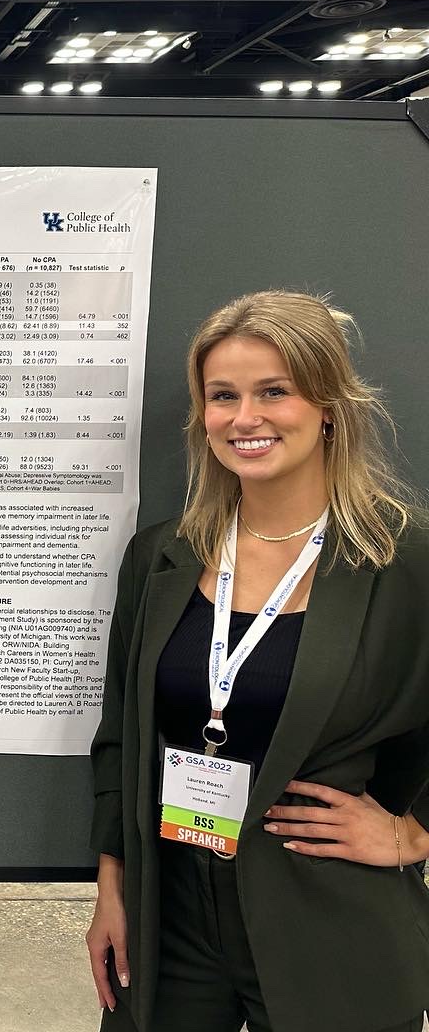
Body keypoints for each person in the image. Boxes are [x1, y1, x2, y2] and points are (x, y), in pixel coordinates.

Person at [85, 290, 429, 1031]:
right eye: (223, 396)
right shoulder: (161, 557)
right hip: (168, 924)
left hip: (332, 926)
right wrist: (113, 887)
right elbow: (121, 738)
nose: (245, 418)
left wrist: (414, 833)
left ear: (330, 404)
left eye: (275, 391)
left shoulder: (405, 561)